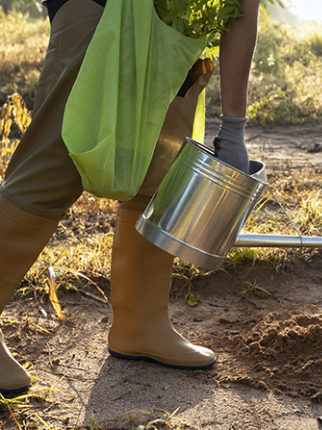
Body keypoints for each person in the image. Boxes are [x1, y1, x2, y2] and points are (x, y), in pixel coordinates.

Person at [0, 0, 260, 397]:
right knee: (55, 164)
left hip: (178, 33)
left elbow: (242, 9)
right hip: (99, 11)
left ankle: (140, 324)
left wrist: (235, 128)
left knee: (157, 172)